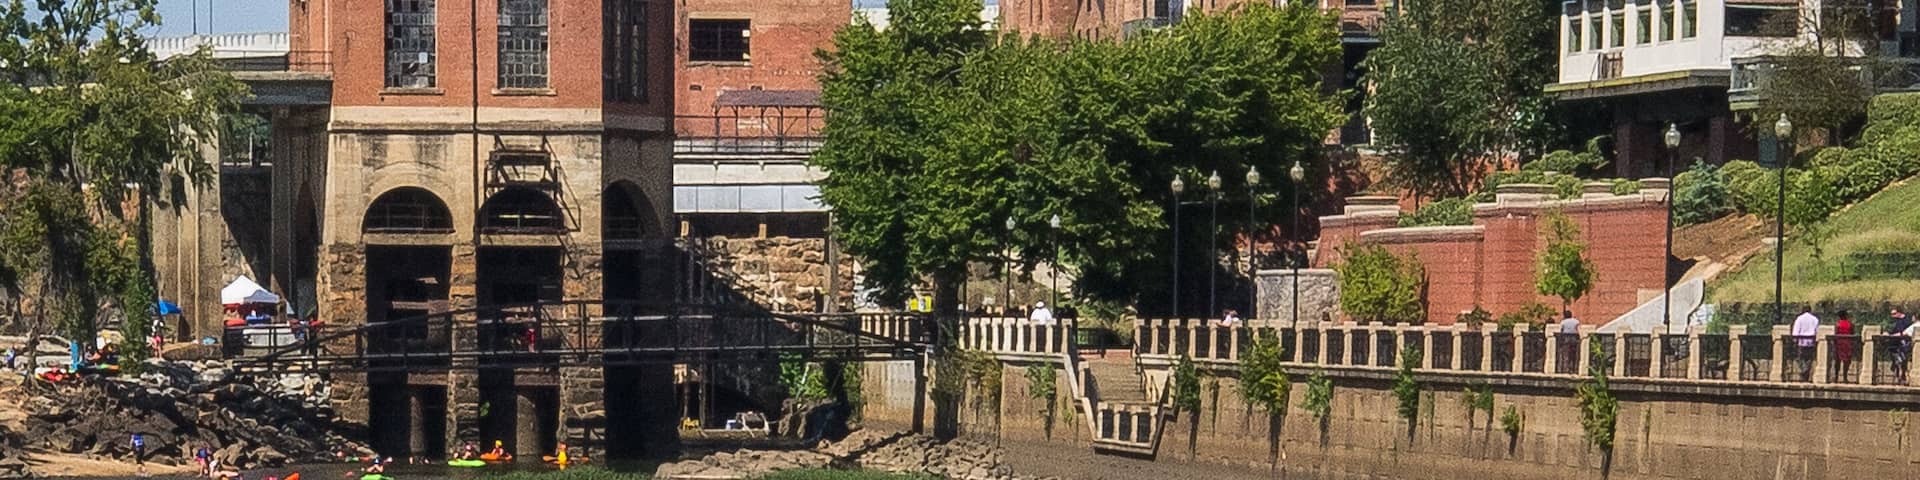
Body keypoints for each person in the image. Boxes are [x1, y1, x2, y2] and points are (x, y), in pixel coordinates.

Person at [1792, 306, 1820, 381]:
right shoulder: (1814, 319)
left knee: (1801, 358)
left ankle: (1804, 371)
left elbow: (1796, 331)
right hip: (1811, 341)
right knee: (1809, 358)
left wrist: (1795, 340)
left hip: (1801, 341)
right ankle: (1806, 371)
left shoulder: (1799, 318)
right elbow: (1817, 331)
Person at [1835, 310, 1857, 380]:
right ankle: (1845, 377)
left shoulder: (1837, 324)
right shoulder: (1850, 324)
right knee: (1846, 361)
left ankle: (1836, 376)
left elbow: (1835, 333)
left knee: (1838, 360)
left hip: (1839, 344)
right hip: (1848, 344)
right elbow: (1853, 333)